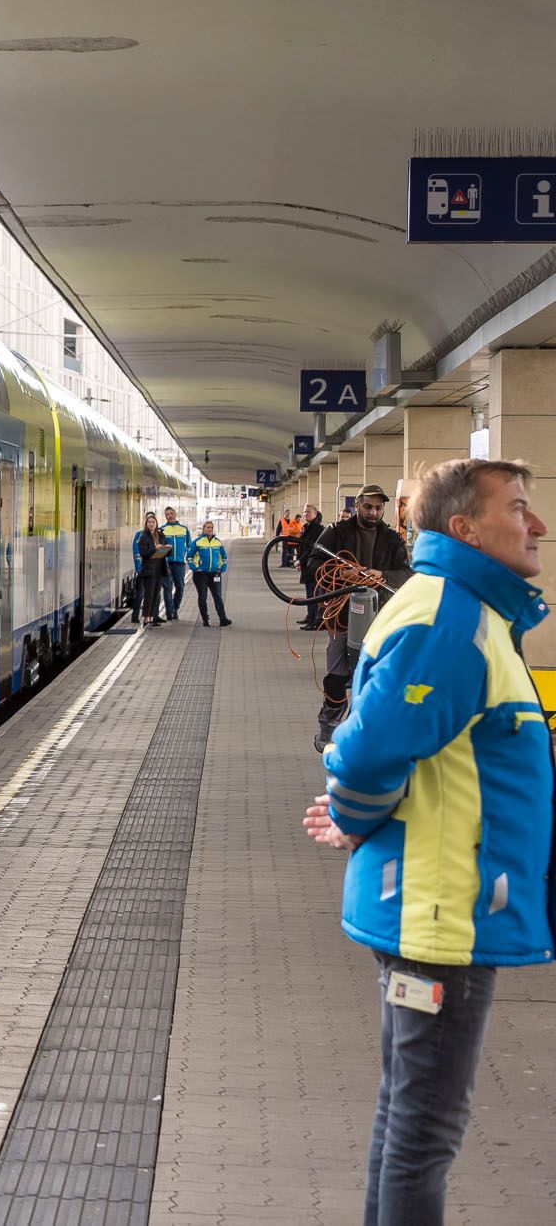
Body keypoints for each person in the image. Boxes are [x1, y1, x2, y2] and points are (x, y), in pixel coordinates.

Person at [302, 458, 552, 1225]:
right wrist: (356, 812)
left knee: (406, 1119)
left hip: (434, 905)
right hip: (440, 917)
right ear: (464, 528)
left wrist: (361, 813)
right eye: (518, 508)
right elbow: (368, 750)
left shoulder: (468, 611)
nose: (538, 524)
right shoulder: (453, 622)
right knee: (424, 1133)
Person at [310, 485, 415, 750]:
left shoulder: (392, 540)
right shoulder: (336, 533)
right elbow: (313, 563)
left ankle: (367, 732)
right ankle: (329, 726)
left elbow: (406, 573)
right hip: (342, 614)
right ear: (358, 505)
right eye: (368, 506)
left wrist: (382, 575)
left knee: (375, 677)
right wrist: (342, 574)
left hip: (380, 616)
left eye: (378, 508)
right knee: (336, 676)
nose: (373, 512)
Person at [190, 520, 233, 626]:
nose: (210, 529)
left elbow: (224, 556)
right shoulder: (197, 542)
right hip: (201, 575)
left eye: (211, 528)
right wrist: (195, 568)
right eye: (208, 527)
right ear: (204, 529)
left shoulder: (217, 542)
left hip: (215, 574)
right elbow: (189, 556)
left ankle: (223, 619)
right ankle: (205, 619)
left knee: (218, 596)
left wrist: (222, 568)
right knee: (203, 596)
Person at [159, 506, 193, 621]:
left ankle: (175, 608)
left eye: (171, 513)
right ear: (165, 516)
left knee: (180, 587)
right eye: (167, 514)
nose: (169, 516)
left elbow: (190, 546)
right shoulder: (161, 530)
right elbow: (158, 548)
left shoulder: (184, 529)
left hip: (179, 563)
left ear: (175, 514)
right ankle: (170, 613)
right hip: (166, 563)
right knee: (167, 588)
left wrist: (189, 557)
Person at [134, 512, 168, 627]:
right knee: (149, 594)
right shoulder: (143, 536)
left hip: (159, 568)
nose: (151, 524)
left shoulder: (161, 535)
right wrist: (155, 548)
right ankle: (146, 618)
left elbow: (166, 553)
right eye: (149, 522)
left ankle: (153, 618)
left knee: (156, 594)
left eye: (153, 522)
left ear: (156, 523)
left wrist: (167, 548)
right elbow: (144, 553)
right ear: (146, 524)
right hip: (149, 569)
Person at [298, 503, 328, 629]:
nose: (306, 514)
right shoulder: (306, 527)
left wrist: (301, 560)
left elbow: (312, 547)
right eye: (305, 512)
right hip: (307, 565)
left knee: (314, 593)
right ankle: (310, 616)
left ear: (315, 514)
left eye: (308, 512)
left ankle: (315, 619)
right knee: (309, 592)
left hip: (314, 565)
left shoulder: (318, 528)